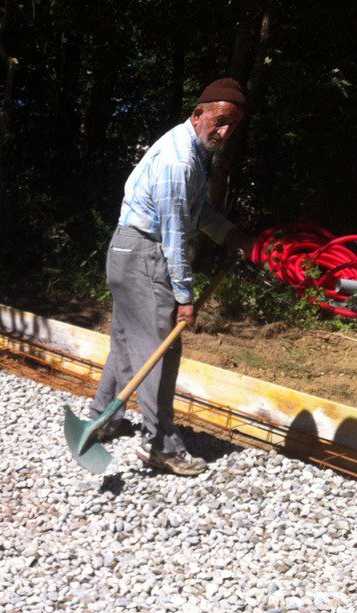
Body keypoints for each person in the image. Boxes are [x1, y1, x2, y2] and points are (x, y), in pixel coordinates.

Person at [88, 77, 253, 476]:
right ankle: (161, 445)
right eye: (219, 121)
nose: (224, 132)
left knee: (128, 341)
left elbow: (196, 211)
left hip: (126, 250)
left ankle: (102, 419)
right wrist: (184, 297)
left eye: (232, 125)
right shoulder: (179, 161)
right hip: (145, 254)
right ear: (198, 114)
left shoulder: (189, 150)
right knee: (161, 350)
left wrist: (231, 235)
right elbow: (174, 234)